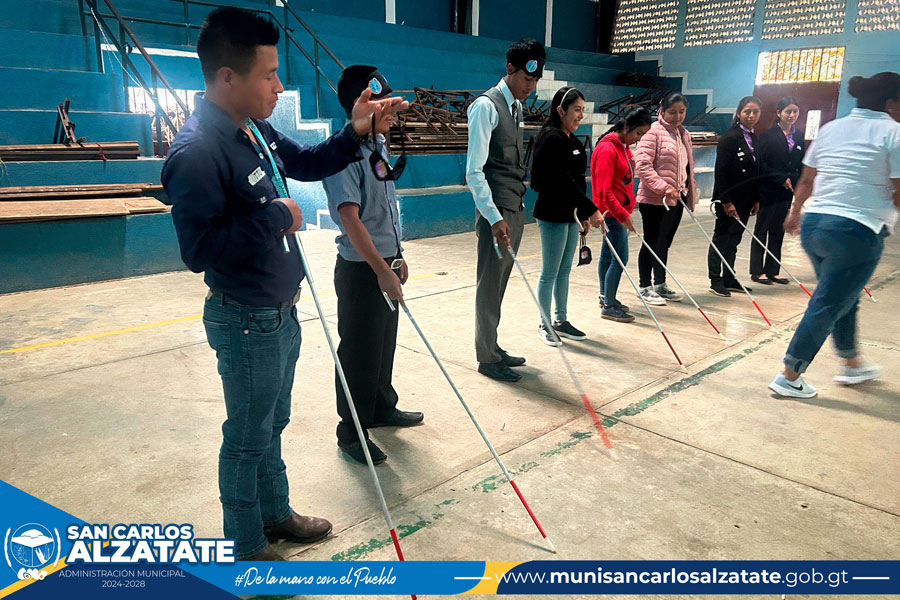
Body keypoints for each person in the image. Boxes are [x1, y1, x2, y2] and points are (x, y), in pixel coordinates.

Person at [161, 8, 407, 561]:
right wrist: (276, 217)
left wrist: (357, 131)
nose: (278, 86)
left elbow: (309, 161)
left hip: (279, 312)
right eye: (269, 75)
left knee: (272, 424)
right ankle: (245, 545)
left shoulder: (254, 128)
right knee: (246, 438)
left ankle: (274, 513)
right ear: (228, 77)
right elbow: (198, 251)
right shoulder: (198, 151)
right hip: (246, 319)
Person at [769, 72, 900, 398]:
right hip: (855, 232)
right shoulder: (894, 133)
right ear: (890, 103)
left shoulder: (832, 128)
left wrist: (794, 213)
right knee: (829, 301)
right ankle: (789, 375)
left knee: (843, 295)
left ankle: (851, 363)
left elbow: (806, 179)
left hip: (815, 226)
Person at [322, 65, 423, 466]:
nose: (393, 113)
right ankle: (351, 431)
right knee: (360, 353)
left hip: (385, 263)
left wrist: (396, 258)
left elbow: (384, 209)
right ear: (360, 106)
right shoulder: (342, 154)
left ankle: (381, 406)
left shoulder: (377, 146)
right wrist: (381, 268)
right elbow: (350, 218)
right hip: (362, 270)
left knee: (383, 345)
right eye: (386, 106)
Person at [466, 38, 545, 381]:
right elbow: (474, 172)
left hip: (514, 206)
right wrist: (494, 218)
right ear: (510, 68)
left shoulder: (516, 108)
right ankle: (486, 357)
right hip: (496, 212)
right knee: (488, 286)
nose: (531, 86)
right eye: (527, 78)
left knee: (498, 285)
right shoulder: (486, 106)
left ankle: (493, 346)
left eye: (536, 80)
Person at [530, 86, 603, 346]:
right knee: (549, 272)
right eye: (576, 110)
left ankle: (560, 320)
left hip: (570, 214)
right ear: (561, 110)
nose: (580, 115)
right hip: (552, 214)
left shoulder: (572, 140)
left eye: (583, 110)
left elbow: (577, 182)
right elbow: (561, 181)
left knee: (564, 271)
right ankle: (544, 323)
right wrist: (591, 209)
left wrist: (582, 214)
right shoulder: (551, 139)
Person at [634, 92, 698, 305]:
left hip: (676, 199)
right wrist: (663, 187)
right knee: (651, 242)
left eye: (681, 112)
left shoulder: (684, 134)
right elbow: (642, 166)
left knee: (664, 243)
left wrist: (688, 191)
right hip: (654, 200)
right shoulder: (652, 132)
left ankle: (660, 284)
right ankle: (644, 286)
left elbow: (687, 167)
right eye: (672, 112)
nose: (677, 116)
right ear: (662, 110)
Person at [592, 106, 653, 323]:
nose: (639, 139)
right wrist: (622, 215)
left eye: (643, 135)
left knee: (608, 256)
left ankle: (606, 297)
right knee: (620, 259)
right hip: (612, 214)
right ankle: (609, 306)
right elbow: (604, 191)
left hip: (619, 212)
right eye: (638, 133)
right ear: (627, 127)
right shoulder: (607, 149)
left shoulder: (624, 147)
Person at [708, 96, 762, 297]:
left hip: (746, 200)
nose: (751, 115)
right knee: (721, 239)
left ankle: (729, 278)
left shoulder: (755, 138)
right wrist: (726, 201)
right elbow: (721, 171)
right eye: (747, 111)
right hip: (729, 200)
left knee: (734, 240)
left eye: (755, 112)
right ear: (739, 113)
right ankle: (715, 280)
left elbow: (757, 171)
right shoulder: (729, 138)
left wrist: (756, 199)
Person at [751, 96, 805, 284]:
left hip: (786, 192)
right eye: (788, 112)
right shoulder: (768, 136)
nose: (791, 115)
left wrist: (797, 183)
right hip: (768, 190)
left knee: (778, 230)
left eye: (795, 112)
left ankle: (773, 270)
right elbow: (762, 163)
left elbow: (800, 163)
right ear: (779, 113)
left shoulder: (798, 136)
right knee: (762, 229)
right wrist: (781, 179)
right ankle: (757, 271)